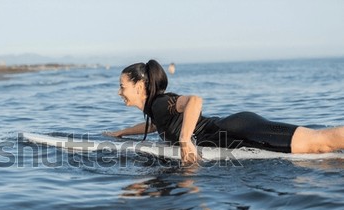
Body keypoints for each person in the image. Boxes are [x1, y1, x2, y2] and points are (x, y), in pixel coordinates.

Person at [105, 59, 344, 165]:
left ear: (138, 86)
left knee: (319, 143)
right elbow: (156, 125)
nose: (119, 92)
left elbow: (195, 101)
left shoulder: (159, 103)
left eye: (122, 86)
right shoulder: (156, 110)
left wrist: (185, 141)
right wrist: (122, 133)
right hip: (236, 130)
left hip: (239, 131)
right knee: (323, 150)